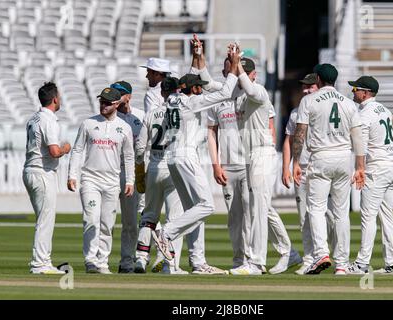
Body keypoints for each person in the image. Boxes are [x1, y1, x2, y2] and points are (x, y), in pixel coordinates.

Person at [202, 55, 301, 275]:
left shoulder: (260, 91)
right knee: (260, 208)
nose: (237, 76)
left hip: (262, 153)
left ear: (251, 74)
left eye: (240, 72)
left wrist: (239, 68)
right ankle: (284, 254)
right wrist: (199, 57)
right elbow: (208, 83)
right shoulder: (234, 94)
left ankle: (256, 263)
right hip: (250, 156)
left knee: (258, 209)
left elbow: (250, 88)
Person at [151, 48, 241, 273]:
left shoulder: (173, 100)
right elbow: (227, 92)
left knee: (193, 209)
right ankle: (167, 233)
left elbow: (189, 79)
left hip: (172, 157)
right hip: (185, 155)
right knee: (207, 206)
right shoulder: (192, 103)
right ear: (195, 90)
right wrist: (234, 66)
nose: (203, 90)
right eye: (199, 88)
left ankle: (198, 261)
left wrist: (197, 55)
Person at [292, 63, 365, 275]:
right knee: (341, 213)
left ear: (318, 80)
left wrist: (296, 162)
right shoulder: (348, 103)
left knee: (315, 208)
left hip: (321, 157)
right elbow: (358, 137)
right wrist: (360, 167)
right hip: (344, 158)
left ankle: (321, 253)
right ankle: (342, 264)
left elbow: (300, 133)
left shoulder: (309, 100)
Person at [68, 87, 135, 274]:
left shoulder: (125, 127)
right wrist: (72, 175)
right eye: (101, 102)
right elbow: (78, 150)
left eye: (107, 102)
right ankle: (90, 260)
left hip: (112, 181)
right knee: (91, 219)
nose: (103, 105)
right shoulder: (88, 123)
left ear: (116, 104)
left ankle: (102, 262)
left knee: (107, 223)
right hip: (90, 179)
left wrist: (130, 181)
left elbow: (129, 157)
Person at [345, 76, 393, 275]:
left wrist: (360, 169)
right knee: (387, 216)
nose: (353, 92)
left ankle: (361, 263)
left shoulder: (363, 114)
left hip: (376, 169)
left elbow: (360, 145)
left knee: (368, 216)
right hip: (391, 167)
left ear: (365, 92)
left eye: (355, 90)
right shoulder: (385, 110)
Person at [282, 73, 336, 275]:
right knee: (305, 216)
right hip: (301, 169)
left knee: (330, 216)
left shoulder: (327, 109)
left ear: (319, 86)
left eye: (310, 87)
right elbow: (288, 141)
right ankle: (309, 258)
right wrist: (285, 167)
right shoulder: (297, 112)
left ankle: (336, 258)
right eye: (304, 87)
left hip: (322, 166)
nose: (306, 90)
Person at [23, 82, 71, 275]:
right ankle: (40, 264)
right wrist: (65, 148)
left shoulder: (34, 118)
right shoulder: (49, 120)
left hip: (30, 170)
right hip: (42, 172)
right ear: (55, 99)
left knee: (43, 218)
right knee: (45, 219)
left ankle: (44, 261)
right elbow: (54, 151)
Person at [111, 81, 145, 273]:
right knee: (105, 220)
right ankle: (99, 261)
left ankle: (127, 261)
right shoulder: (108, 116)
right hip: (111, 171)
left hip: (131, 172)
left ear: (129, 96)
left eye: (120, 93)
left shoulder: (139, 116)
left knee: (131, 221)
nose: (116, 96)